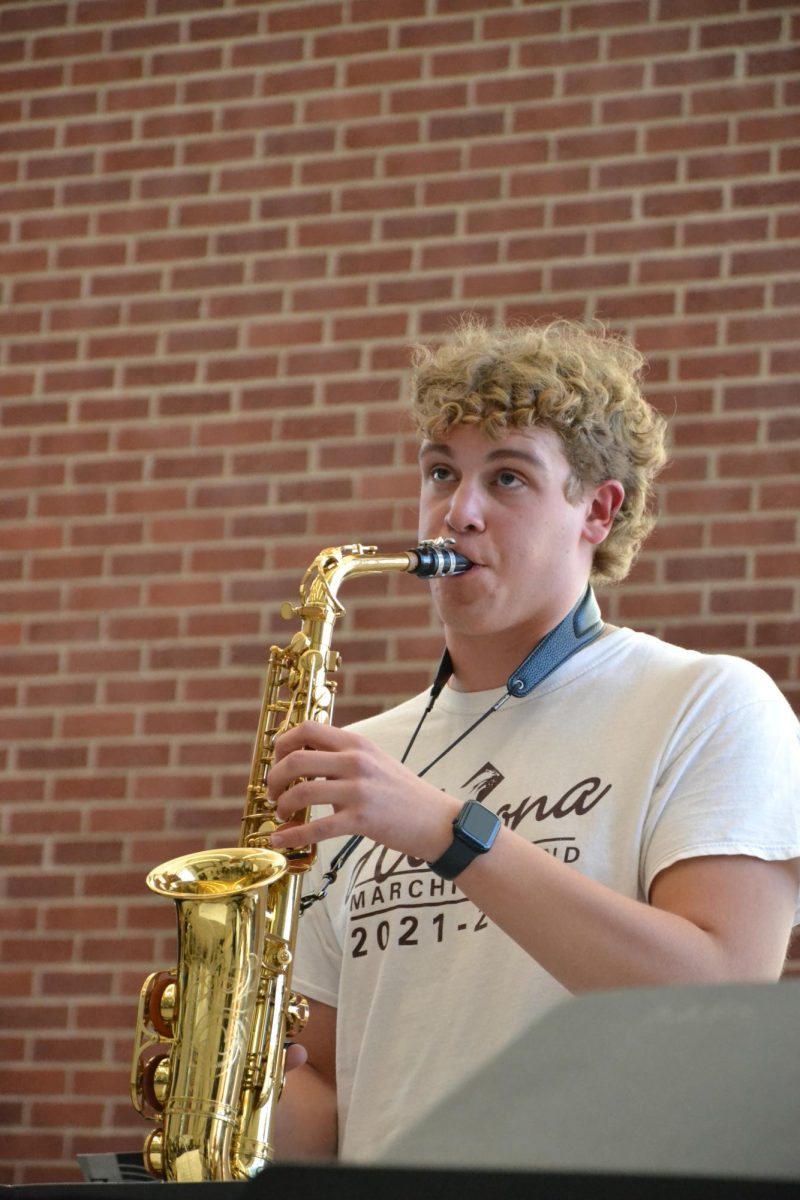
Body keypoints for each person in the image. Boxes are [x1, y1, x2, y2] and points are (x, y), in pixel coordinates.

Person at [265, 317, 800, 1163]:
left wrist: (446, 832)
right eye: (442, 471)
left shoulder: (709, 702)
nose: (458, 512)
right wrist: (231, 1097)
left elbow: (719, 998)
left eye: (507, 478)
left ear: (598, 508)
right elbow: (334, 1087)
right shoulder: (363, 760)